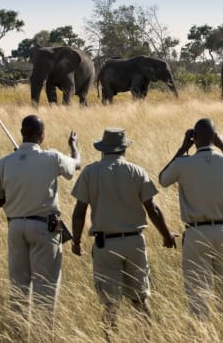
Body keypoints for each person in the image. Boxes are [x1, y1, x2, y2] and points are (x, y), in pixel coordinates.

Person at [70, 128, 176, 337]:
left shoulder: (90, 173)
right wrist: (167, 235)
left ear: (102, 150)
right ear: (123, 149)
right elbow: (152, 209)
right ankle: (146, 338)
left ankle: (110, 338)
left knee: (110, 304)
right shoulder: (137, 172)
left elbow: (79, 213)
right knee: (140, 299)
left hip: (105, 244)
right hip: (135, 242)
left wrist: (76, 241)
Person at [0, 114, 81, 333]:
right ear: (42, 135)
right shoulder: (52, 157)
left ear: (22, 133)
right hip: (44, 228)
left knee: (19, 287)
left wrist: (13, 193)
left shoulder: (4, 163)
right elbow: (77, 164)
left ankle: (19, 334)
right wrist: (74, 146)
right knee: (44, 288)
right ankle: (41, 335)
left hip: (16, 228)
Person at [159, 118, 223, 320]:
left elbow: (163, 179)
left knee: (197, 294)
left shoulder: (183, 164)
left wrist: (182, 149)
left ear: (194, 138)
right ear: (214, 137)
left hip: (196, 233)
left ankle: (201, 336)